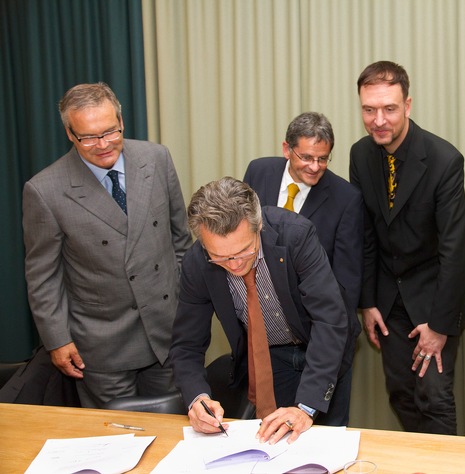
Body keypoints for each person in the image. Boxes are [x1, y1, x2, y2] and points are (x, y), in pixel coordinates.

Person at [22, 82, 192, 408]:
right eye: (88, 137)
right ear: (70, 134)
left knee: (174, 427)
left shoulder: (156, 158)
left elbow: (180, 240)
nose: (102, 145)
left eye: (110, 132)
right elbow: (44, 276)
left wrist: (186, 310)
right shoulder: (45, 190)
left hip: (167, 332)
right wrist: (57, 339)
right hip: (102, 346)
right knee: (116, 432)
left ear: (121, 121)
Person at [169, 177, 353, 444]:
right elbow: (187, 344)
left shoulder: (296, 236)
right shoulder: (197, 262)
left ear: (259, 226)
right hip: (272, 356)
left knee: (327, 441)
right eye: (220, 257)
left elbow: (329, 320)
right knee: (277, 441)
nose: (234, 265)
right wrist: (197, 398)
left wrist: (305, 408)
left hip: (324, 347)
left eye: (244, 251)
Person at [349, 61, 465, 435]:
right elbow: (365, 233)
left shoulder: (443, 159)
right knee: (401, 394)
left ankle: (444, 462)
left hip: (433, 300)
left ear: (407, 105)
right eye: (369, 110)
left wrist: (439, 325)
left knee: (434, 398)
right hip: (388, 302)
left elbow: (456, 249)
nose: (378, 120)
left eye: (389, 108)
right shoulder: (360, 155)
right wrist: (368, 302)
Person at [243, 111, 363, 364]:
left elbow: (346, 281)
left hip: (315, 334)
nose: (315, 167)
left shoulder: (346, 198)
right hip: (263, 332)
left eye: (323, 159)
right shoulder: (258, 171)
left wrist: (329, 338)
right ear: (287, 149)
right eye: (306, 157)